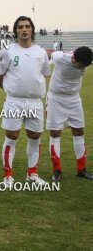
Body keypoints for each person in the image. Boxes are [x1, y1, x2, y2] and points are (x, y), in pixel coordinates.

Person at [0, 16, 51, 185]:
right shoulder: (7, 52)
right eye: (20, 27)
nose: (24, 29)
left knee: (35, 136)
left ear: (32, 30)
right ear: (15, 31)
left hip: (35, 102)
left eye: (27, 26)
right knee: (11, 136)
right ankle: (8, 175)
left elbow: (44, 74)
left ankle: (32, 174)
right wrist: (10, 90)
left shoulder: (41, 52)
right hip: (14, 101)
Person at [46, 46, 93, 181]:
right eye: (79, 65)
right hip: (56, 98)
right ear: (73, 58)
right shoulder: (60, 57)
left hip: (74, 99)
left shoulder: (84, 61)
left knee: (79, 132)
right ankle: (57, 170)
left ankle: (82, 169)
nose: (81, 68)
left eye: (83, 66)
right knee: (55, 133)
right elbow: (50, 54)